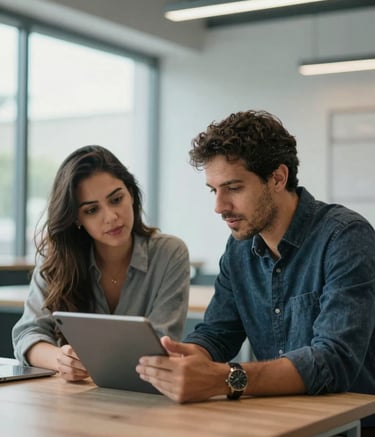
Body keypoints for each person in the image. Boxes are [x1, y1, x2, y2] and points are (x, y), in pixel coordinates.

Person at [136, 110, 375, 432]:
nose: (219, 206)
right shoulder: (239, 248)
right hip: (278, 420)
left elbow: (334, 361)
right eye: (214, 190)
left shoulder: (345, 237)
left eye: (233, 188)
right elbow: (218, 333)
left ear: (278, 178)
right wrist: (185, 357)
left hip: (350, 425)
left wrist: (225, 378)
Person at [12, 145, 190, 382]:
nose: (111, 217)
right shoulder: (57, 259)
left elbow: (160, 346)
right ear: (76, 218)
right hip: (73, 398)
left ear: (131, 194)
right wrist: (60, 359)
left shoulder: (169, 253)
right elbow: (28, 333)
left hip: (145, 395)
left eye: (116, 199)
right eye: (92, 210)